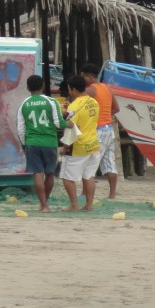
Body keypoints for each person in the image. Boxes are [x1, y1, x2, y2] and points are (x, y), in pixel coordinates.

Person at [17, 74, 68, 213]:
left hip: (32, 142)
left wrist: (24, 144)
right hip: (49, 142)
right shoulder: (51, 102)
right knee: (49, 173)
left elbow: (20, 129)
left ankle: (44, 205)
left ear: (28, 88)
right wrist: (68, 123)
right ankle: (45, 202)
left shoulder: (24, 104)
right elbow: (59, 123)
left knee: (38, 174)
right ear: (43, 86)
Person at [60, 75, 100, 212]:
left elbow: (71, 127)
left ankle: (74, 205)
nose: (69, 92)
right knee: (88, 176)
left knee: (67, 177)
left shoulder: (75, 105)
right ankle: (88, 205)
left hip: (79, 146)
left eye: (69, 89)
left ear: (74, 89)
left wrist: (65, 147)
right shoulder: (93, 101)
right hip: (93, 144)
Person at [81, 63, 120, 199]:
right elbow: (116, 108)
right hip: (109, 129)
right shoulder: (106, 88)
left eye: (83, 77)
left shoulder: (90, 90)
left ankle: (85, 193)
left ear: (89, 77)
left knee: (89, 163)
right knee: (109, 163)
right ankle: (112, 194)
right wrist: (105, 114)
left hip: (97, 130)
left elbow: (82, 108)